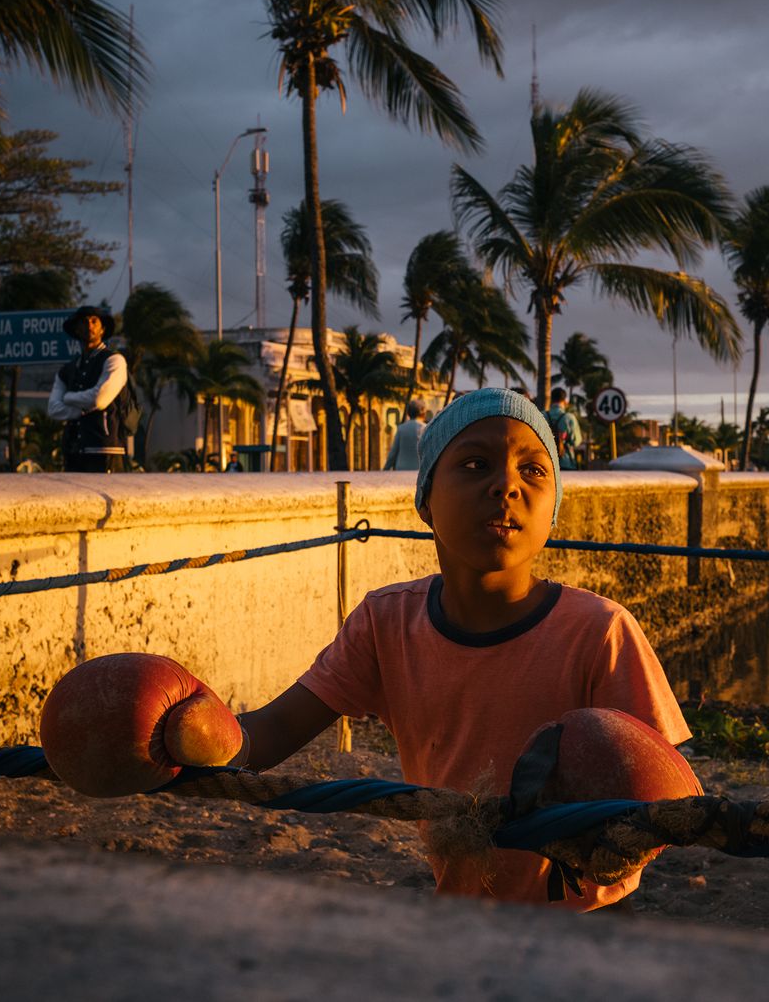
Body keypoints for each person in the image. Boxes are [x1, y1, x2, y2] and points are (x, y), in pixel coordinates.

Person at [229, 388, 689, 911]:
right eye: (475, 463)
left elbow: (664, 789)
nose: (506, 486)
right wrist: (182, 741)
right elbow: (274, 731)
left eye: (534, 471)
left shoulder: (600, 632)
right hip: (462, 912)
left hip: (589, 921)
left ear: (553, 509)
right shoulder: (386, 624)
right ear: (425, 499)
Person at [49, 305, 131, 472]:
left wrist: (68, 398)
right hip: (74, 451)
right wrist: (83, 410)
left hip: (106, 451)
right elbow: (53, 409)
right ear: (76, 330)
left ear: (102, 329)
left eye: (94, 321)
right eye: (84, 322)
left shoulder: (114, 361)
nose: (89, 326)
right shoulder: (68, 369)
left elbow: (99, 399)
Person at [382, 398, 427, 471]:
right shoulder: (426, 429)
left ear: (408, 413)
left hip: (401, 470)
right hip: (419, 470)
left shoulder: (401, 429)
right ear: (423, 413)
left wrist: (385, 469)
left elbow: (393, 453)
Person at [544, 387, 584, 470]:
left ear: (551, 400)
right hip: (566, 462)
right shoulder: (569, 418)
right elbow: (576, 442)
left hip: (546, 463)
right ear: (565, 401)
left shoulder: (542, 415)